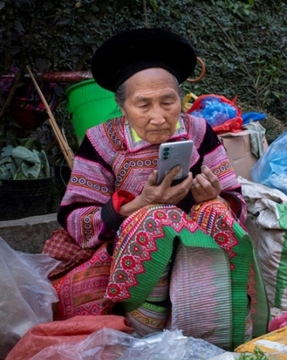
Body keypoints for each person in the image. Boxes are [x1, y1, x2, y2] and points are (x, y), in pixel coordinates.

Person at [44, 28, 268, 349]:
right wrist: (142, 204)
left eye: (168, 101)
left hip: (194, 252)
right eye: (143, 104)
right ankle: (148, 336)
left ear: (181, 99)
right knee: (153, 222)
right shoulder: (102, 140)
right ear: (122, 107)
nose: (159, 117)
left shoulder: (199, 130)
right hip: (121, 257)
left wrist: (214, 196)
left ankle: (209, 333)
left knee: (216, 211)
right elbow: (76, 217)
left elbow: (234, 199)